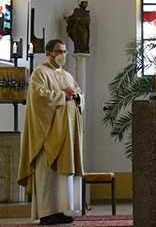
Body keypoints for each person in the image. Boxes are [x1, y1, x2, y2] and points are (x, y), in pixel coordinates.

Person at [18, 39, 85, 225]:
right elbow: (38, 96)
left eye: (64, 51)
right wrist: (62, 95)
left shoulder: (67, 75)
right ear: (49, 53)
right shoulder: (40, 73)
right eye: (59, 51)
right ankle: (47, 213)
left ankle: (62, 210)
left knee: (63, 177)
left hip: (67, 136)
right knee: (47, 174)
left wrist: (77, 96)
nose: (63, 54)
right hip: (47, 135)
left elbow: (79, 93)